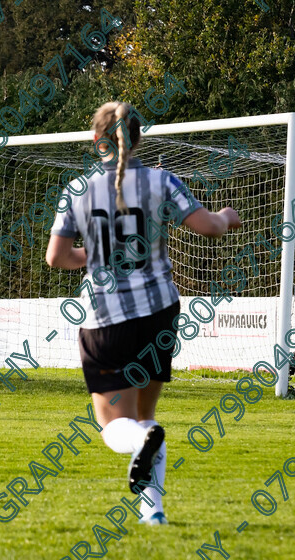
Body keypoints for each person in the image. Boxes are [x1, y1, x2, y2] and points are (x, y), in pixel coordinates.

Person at [45, 101, 241, 525]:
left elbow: (56, 257)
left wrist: (96, 255)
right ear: (136, 139)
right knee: (147, 416)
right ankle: (152, 512)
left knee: (118, 427)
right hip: (159, 314)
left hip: (105, 318)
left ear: (96, 142)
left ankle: (145, 449)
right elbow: (208, 227)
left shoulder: (77, 190)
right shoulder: (161, 181)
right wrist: (227, 216)